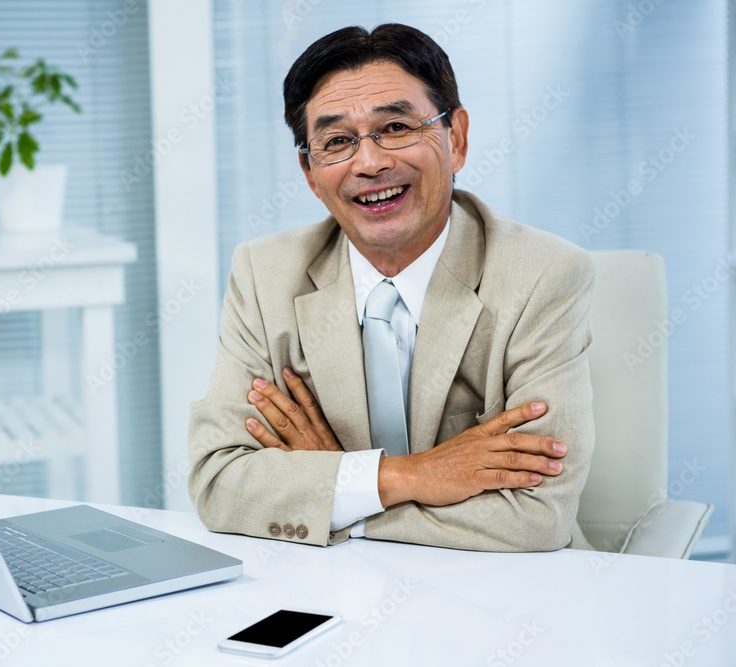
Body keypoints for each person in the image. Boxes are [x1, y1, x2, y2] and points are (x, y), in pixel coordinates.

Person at [187, 23, 594, 552]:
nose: (371, 162)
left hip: (507, 594)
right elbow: (219, 485)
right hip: (330, 594)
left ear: (458, 138)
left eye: (398, 127)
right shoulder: (264, 274)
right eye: (336, 141)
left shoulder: (544, 275)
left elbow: (534, 518)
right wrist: (411, 476)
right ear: (310, 174)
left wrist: (329, 490)